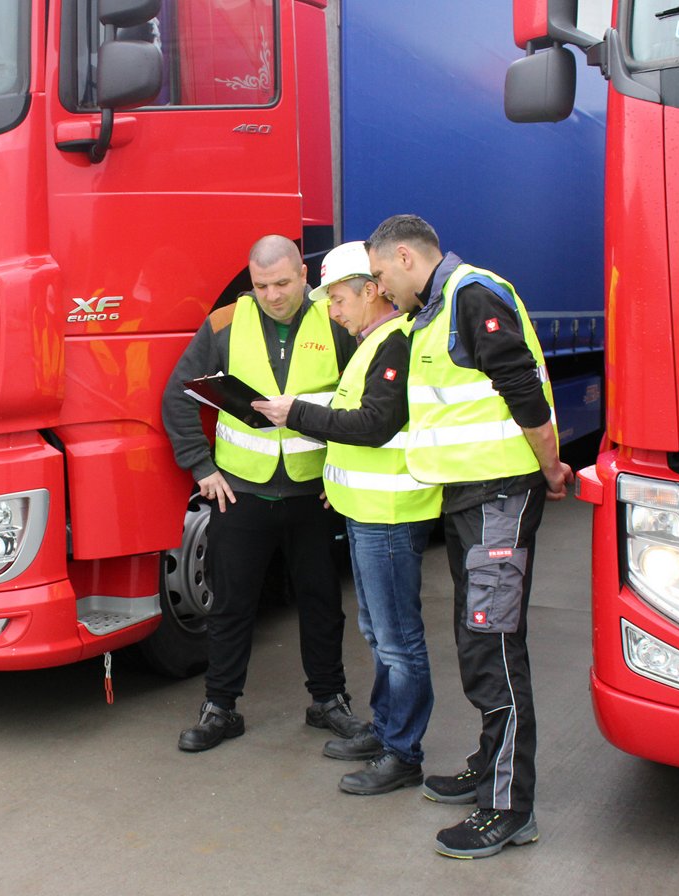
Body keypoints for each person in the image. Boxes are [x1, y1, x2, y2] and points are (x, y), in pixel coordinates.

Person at [365, 215, 573, 859]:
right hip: (469, 499)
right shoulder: (432, 313)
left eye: (378, 276)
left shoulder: (472, 295)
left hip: (501, 496)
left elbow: (522, 386)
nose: (378, 290)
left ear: (404, 256)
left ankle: (510, 807)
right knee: (475, 634)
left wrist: (550, 465)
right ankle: (489, 766)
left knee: (493, 644)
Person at [162, 234, 367, 752]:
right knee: (231, 606)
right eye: (260, 285)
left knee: (322, 602)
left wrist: (339, 472)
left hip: (311, 495)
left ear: (303, 274)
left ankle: (328, 701)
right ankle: (220, 709)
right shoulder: (227, 322)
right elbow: (178, 392)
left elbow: (363, 403)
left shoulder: (336, 318)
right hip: (242, 493)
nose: (272, 295)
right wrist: (200, 465)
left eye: (281, 283)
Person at [253, 241, 442, 796]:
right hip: (365, 509)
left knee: (398, 640)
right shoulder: (371, 343)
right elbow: (357, 427)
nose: (331, 312)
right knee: (379, 635)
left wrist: (296, 413)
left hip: (389, 514)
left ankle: (402, 753)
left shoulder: (394, 343)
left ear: (370, 290)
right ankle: (384, 732)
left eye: (337, 299)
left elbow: (373, 425)